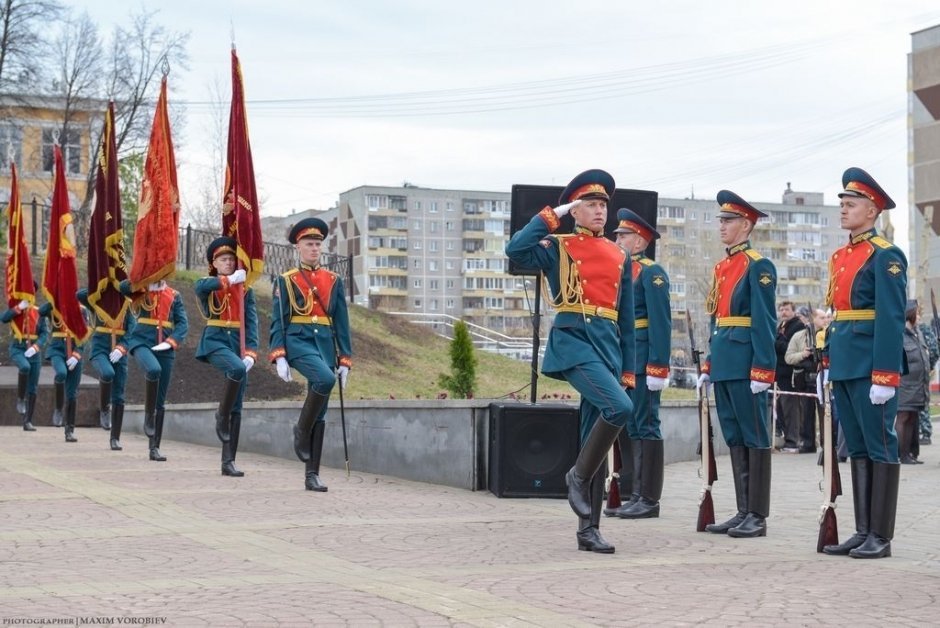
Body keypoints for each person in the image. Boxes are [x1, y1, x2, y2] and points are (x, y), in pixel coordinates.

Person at [506, 169, 635, 553]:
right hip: (575, 342)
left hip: (607, 345)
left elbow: (625, 319)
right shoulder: (556, 245)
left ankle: (588, 530)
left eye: (602, 205)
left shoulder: (619, 255)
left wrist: (628, 368)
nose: (599, 211)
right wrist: (552, 214)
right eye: (590, 205)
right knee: (619, 408)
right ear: (575, 211)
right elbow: (515, 250)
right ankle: (577, 477)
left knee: (591, 436)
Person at [821, 167, 907, 560]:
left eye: (850, 204)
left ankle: (881, 536)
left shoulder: (885, 255)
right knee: (856, 446)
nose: (843, 209)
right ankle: (862, 530)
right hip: (845, 361)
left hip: (872, 364)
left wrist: (886, 374)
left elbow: (890, 317)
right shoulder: (842, 256)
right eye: (841, 202)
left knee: (879, 445)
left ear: (871, 211)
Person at [697, 190, 777, 538]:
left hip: (746, 362)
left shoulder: (758, 265)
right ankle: (743, 509)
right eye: (721, 220)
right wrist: (709, 364)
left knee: (755, 435)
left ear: (746, 224)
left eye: (728, 221)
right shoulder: (723, 266)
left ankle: (757, 514)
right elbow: (717, 320)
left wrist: (763, 368)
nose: (722, 226)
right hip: (727, 361)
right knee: (734, 436)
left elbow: (764, 320)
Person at [270, 217, 352, 492]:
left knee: (322, 409)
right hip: (299, 340)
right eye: (309, 244)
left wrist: (345, 359)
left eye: (318, 244)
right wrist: (279, 354)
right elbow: (278, 319)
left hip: (326, 344)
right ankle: (300, 430)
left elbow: (341, 322)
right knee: (325, 380)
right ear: (298, 247)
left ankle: (311, 475)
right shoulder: (287, 280)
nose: (314, 248)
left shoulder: (333, 280)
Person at [606, 207, 670, 519]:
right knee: (630, 425)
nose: (617, 239)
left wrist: (658, 367)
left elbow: (661, 323)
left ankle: (649, 498)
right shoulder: (621, 271)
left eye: (624, 235)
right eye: (617, 234)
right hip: (625, 359)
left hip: (644, 360)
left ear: (641, 242)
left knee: (646, 424)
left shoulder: (651, 273)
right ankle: (633, 492)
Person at [195, 236, 259, 477]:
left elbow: (251, 322)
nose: (229, 263)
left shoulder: (245, 290)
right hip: (215, 340)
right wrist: (228, 281)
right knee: (236, 371)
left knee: (238, 404)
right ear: (214, 263)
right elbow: (200, 288)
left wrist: (252, 352)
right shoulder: (208, 283)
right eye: (223, 259)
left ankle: (228, 461)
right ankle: (220, 414)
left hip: (238, 343)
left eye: (232, 259)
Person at [121, 278, 189, 461]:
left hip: (165, 347)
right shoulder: (141, 290)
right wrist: (143, 281)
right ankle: (148, 414)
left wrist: (171, 342)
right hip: (141, 342)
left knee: (161, 399)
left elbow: (183, 324)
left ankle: (154, 448)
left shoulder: (175, 295)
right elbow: (123, 287)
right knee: (153, 370)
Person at [78, 289, 135, 450]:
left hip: (119, 353)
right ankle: (104, 408)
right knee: (107, 373)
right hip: (100, 349)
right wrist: (102, 285)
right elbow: (80, 295)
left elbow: (132, 331)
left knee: (119, 397)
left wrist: (122, 347)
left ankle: (115, 438)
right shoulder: (98, 300)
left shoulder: (127, 305)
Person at [39, 301, 89, 442]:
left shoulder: (82, 310)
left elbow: (84, 334)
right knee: (61, 373)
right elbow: (41, 310)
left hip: (74, 349)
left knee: (72, 394)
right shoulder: (54, 306)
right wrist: (53, 299)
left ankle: (69, 430)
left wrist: (77, 354)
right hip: (57, 348)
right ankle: (58, 408)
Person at [1, 296, 50, 431]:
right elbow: (3, 318)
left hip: (34, 350)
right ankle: (20, 398)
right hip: (18, 347)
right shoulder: (17, 309)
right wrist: (18, 308)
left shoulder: (38, 311)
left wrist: (36, 347)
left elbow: (45, 333)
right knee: (24, 367)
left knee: (33, 387)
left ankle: (28, 421)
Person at [784, 305, 820, 453]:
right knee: (806, 414)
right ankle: (807, 443)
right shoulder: (799, 336)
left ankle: (829, 444)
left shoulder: (827, 335)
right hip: (805, 379)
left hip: (822, 378)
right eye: (820, 317)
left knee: (827, 414)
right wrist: (803, 354)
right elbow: (788, 357)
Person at [897, 300, 929, 465]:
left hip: (918, 386)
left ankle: (908, 453)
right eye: (917, 314)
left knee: (911, 419)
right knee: (903, 417)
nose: (919, 317)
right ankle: (901, 454)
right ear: (910, 315)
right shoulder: (900, 334)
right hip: (905, 385)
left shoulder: (917, 333)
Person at [775, 301, 805, 452]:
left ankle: (793, 441)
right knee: (781, 409)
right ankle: (787, 439)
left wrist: (778, 341)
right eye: (781, 310)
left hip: (790, 373)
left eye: (786, 309)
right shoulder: (780, 326)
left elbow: (789, 348)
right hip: (779, 373)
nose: (783, 312)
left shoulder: (797, 326)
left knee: (791, 409)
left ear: (793, 311)